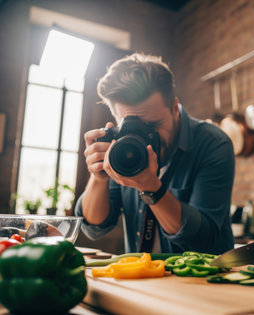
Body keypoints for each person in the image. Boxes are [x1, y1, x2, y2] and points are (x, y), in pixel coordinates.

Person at [75, 53, 235, 254]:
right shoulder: (122, 148)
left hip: (201, 280)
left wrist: (151, 188)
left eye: (152, 126)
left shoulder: (212, 143)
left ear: (175, 108)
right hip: (143, 279)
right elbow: (94, 228)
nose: (142, 137)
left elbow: (203, 240)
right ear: (117, 121)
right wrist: (98, 177)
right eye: (131, 127)